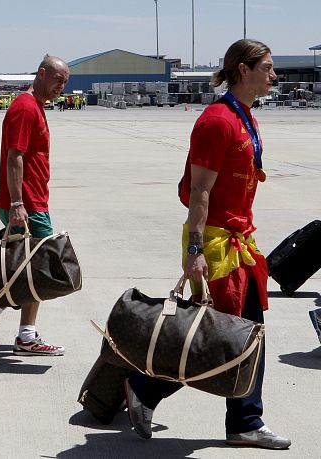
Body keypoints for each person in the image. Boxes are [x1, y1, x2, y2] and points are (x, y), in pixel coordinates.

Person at [124, 39, 290, 450]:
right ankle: (148, 391)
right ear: (242, 70)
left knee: (240, 333)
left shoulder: (245, 116)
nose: (274, 76)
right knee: (218, 334)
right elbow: (199, 191)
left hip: (238, 241)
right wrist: (195, 251)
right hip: (216, 244)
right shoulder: (217, 121)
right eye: (267, 68)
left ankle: (241, 419)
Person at [0, 55, 70, 356]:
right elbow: (15, 156)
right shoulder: (25, 108)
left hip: (33, 200)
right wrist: (16, 202)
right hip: (27, 203)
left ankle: (2, 317)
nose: (61, 87)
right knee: (38, 267)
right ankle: (6, 320)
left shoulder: (35, 107)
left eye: (65, 82)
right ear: (41, 73)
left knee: (26, 266)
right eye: (58, 79)